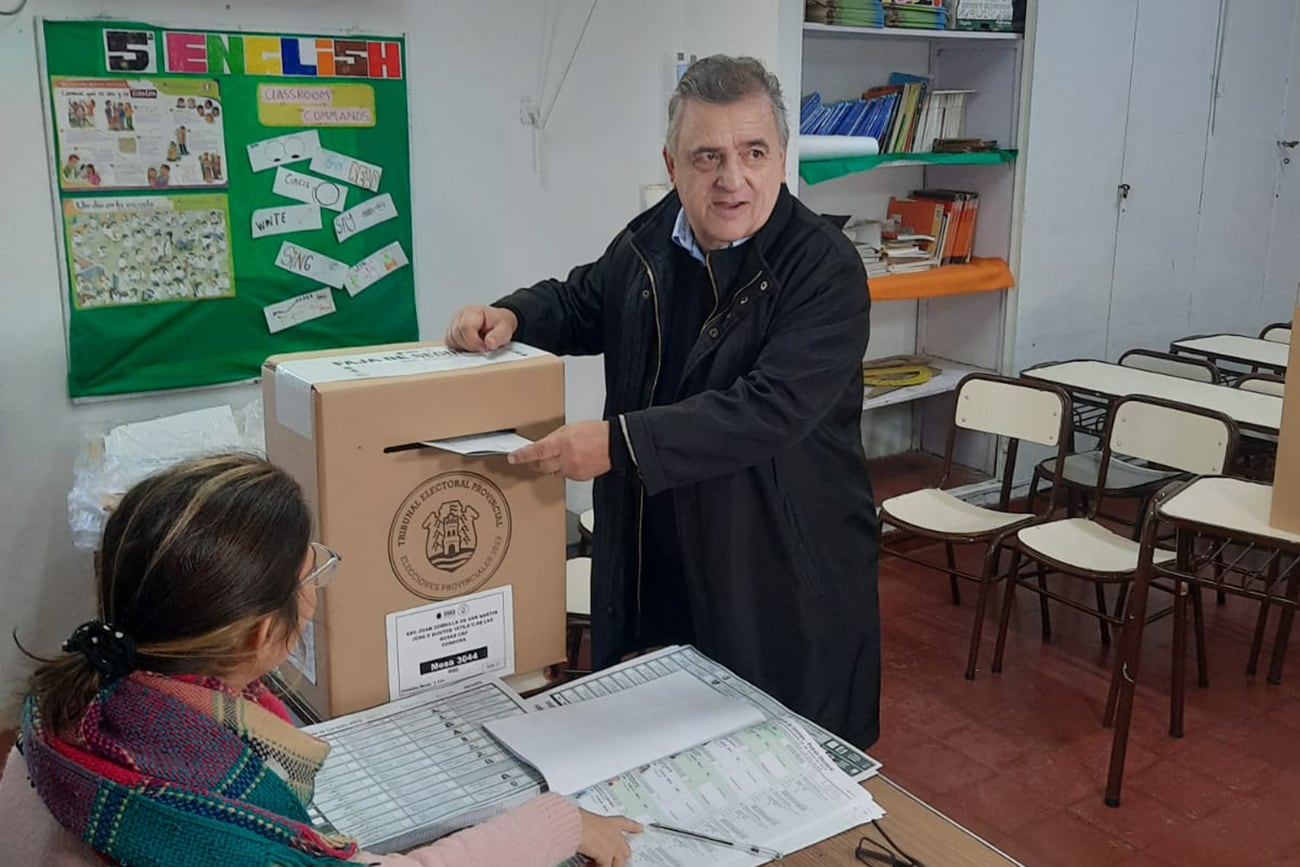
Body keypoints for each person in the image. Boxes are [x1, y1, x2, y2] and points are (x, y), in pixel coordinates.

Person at [445, 55, 880, 747]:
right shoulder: (654, 237)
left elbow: (766, 409)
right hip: (661, 547)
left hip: (776, 566)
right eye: (707, 156)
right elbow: (586, 300)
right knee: (663, 749)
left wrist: (616, 444)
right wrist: (513, 316)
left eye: (753, 152)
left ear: (780, 158)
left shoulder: (823, 268)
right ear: (672, 163)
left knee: (779, 762)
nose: (731, 179)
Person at [0, 454, 641, 866]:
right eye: (312, 574)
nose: (315, 589)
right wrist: (559, 824)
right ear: (259, 639)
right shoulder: (215, 828)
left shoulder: (66, 704)